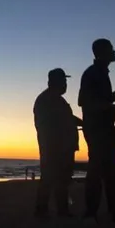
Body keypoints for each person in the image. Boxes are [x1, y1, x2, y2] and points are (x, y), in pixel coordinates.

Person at [77, 38, 115, 223]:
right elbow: (84, 102)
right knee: (97, 170)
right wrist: (113, 109)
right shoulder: (92, 73)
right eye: (111, 49)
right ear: (101, 52)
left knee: (109, 170)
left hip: (103, 129)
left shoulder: (101, 73)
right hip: (96, 130)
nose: (114, 52)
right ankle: (94, 211)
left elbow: (108, 99)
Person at [33, 68, 82, 218]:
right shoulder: (46, 100)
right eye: (63, 81)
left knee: (62, 179)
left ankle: (62, 210)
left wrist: (83, 123)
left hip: (63, 147)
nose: (65, 84)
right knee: (49, 178)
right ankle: (43, 210)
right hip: (54, 148)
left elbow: (69, 118)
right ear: (53, 82)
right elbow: (49, 124)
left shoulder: (57, 100)